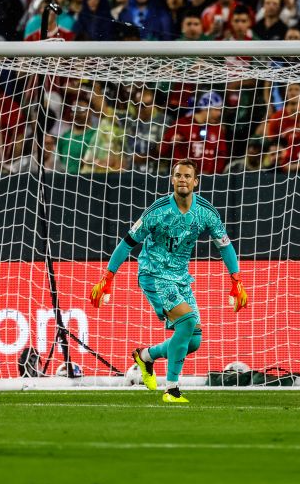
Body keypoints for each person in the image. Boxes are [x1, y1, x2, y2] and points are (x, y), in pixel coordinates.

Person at [88, 158, 249, 403]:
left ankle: (146, 356)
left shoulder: (206, 212)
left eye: (187, 176)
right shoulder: (157, 211)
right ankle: (172, 389)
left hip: (181, 279)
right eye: (177, 175)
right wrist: (108, 277)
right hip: (154, 275)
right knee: (187, 321)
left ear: (195, 181)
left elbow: (225, 246)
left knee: (193, 340)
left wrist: (236, 280)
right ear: (172, 179)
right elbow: (127, 243)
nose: (182, 179)